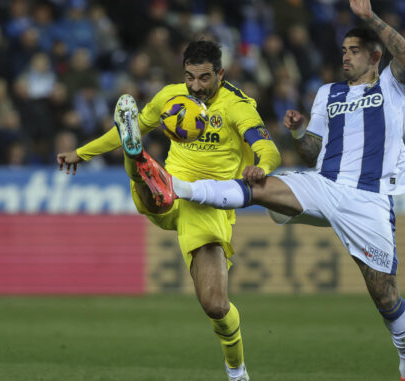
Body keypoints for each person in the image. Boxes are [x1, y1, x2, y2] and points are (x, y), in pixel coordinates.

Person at [135, 1, 405, 379]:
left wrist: (369, 17)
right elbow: (314, 152)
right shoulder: (328, 93)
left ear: (375, 56)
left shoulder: (392, 85)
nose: (346, 57)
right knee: (258, 185)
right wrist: (301, 131)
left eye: (354, 51)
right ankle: (177, 187)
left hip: (368, 198)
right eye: (343, 51)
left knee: (385, 296)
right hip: (325, 184)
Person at [57, 40, 281, 381]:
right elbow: (123, 129)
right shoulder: (170, 97)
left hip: (207, 206)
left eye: (205, 78)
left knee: (216, 306)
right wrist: (82, 152)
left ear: (220, 73)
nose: (196, 86)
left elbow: (269, 148)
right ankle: (140, 162)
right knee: (145, 169)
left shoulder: (238, 107)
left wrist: (262, 166)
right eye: (190, 77)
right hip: (169, 188)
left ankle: (236, 370)